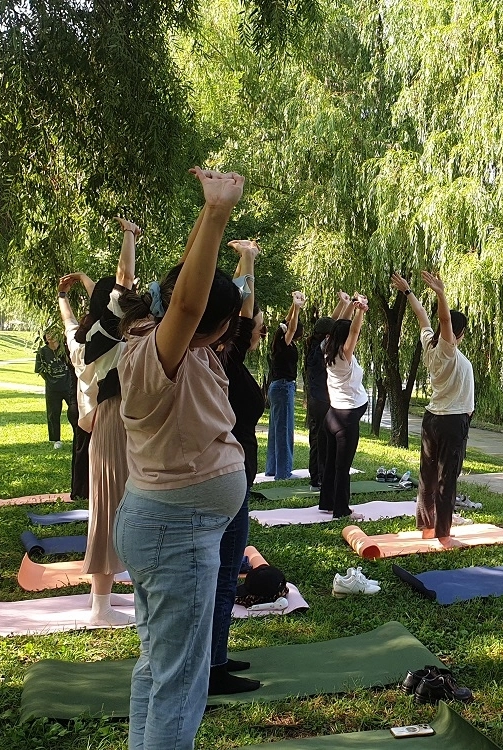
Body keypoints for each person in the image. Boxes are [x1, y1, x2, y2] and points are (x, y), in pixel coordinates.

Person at [112, 168, 246, 750]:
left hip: (170, 525)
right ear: (211, 326)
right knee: (177, 682)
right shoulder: (155, 355)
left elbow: (186, 289)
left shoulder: (175, 347)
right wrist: (215, 213)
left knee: (157, 669)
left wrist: (204, 220)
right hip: (174, 530)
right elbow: (188, 304)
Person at [73, 217, 140, 627]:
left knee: (112, 506)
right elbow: (124, 277)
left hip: (111, 419)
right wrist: (128, 235)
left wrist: (85, 281)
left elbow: (108, 293)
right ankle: (101, 608)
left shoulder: (92, 335)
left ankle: (105, 603)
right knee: (115, 506)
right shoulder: (113, 328)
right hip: (118, 421)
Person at [208, 237, 266, 696]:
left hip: (236, 473)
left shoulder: (224, 358)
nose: (255, 327)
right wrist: (244, 260)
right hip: (226, 475)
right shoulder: (221, 359)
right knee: (225, 574)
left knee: (227, 574)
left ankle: (217, 657)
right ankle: (212, 667)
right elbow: (241, 313)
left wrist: (247, 259)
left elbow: (242, 313)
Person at [391, 270, 474, 546]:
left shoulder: (431, 344)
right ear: (458, 334)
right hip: (451, 421)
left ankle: (428, 528)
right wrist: (441, 293)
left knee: (428, 477)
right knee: (446, 478)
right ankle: (443, 535)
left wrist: (407, 291)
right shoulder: (447, 351)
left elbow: (422, 317)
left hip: (433, 419)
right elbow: (442, 318)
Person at [320, 291, 369, 520]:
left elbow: (341, 325)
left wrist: (350, 305)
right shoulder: (344, 354)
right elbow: (354, 331)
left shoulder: (326, 347)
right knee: (342, 467)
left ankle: (327, 502)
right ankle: (341, 510)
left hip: (333, 416)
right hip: (345, 419)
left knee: (332, 463)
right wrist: (360, 311)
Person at [57, 272, 95, 501]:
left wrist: (62, 295)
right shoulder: (109, 348)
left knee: (81, 449)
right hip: (103, 412)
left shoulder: (76, 348)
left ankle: (80, 491)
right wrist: (84, 278)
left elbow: (68, 320)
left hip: (82, 409)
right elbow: (107, 310)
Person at [264, 291, 305, 479]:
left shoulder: (279, 339)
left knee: (276, 429)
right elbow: (291, 325)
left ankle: (273, 469)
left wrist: (293, 305)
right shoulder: (285, 341)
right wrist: (296, 308)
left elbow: (288, 321)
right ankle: (284, 472)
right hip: (283, 387)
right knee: (284, 430)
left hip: (277, 387)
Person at [304, 315, 334, 490]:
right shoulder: (321, 349)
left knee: (316, 438)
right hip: (322, 399)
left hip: (316, 399)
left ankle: (316, 476)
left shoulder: (314, 346)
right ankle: (320, 476)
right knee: (321, 440)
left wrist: (346, 305)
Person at [35, 330, 78, 449]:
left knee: (75, 411)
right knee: (53, 413)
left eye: (53, 334)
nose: (50, 336)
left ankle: (78, 435)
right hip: (52, 389)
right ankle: (56, 440)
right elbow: (40, 370)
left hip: (69, 387)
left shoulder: (65, 349)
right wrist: (51, 380)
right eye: (47, 334)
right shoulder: (42, 352)